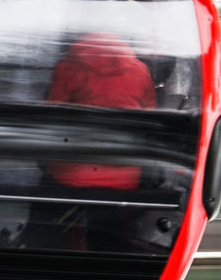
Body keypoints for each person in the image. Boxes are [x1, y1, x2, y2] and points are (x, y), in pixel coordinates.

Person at [43, 31, 155, 190]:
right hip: (123, 177)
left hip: (71, 174)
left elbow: (52, 116)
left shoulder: (67, 67)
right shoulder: (141, 70)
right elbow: (150, 120)